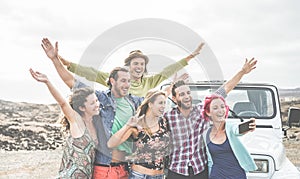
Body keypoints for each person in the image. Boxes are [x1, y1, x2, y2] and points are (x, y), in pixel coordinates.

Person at [41, 39, 143, 179]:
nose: (127, 85)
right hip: (104, 167)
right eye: (123, 81)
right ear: (112, 81)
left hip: (125, 168)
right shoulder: (100, 98)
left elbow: (155, 106)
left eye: (129, 81)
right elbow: (71, 82)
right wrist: (55, 59)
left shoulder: (134, 102)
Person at [164, 58, 257, 179]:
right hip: (177, 171)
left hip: (199, 170)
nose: (186, 96)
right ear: (174, 99)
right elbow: (153, 105)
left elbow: (225, 89)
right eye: (181, 94)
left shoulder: (202, 111)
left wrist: (242, 71)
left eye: (188, 93)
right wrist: (171, 86)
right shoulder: (167, 117)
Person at [42, 38, 204, 97]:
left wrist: (192, 55)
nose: (139, 67)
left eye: (142, 64)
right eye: (135, 63)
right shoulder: (117, 80)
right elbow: (91, 73)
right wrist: (62, 61)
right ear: (128, 65)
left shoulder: (149, 82)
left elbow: (168, 70)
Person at [29, 68, 98, 178]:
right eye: (92, 103)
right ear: (82, 107)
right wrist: (47, 82)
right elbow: (63, 103)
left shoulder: (96, 125)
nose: (97, 104)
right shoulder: (77, 123)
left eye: (97, 101)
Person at [107, 90, 170, 179]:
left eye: (164, 103)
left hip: (159, 175)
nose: (163, 106)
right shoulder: (138, 124)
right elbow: (111, 144)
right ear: (150, 104)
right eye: (160, 103)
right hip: (140, 175)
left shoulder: (164, 122)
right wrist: (127, 125)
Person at [202, 94, 257, 178]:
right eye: (215, 108)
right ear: (208, 112)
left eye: (222, 107)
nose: (220, 110)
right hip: (216, 175)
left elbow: (237, 129)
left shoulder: (231, 127)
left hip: (236, 175)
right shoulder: (205, 133)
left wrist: (248, 126)